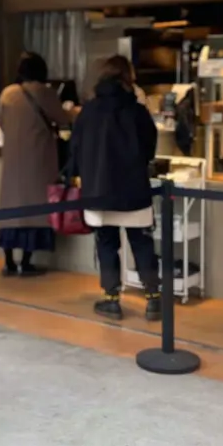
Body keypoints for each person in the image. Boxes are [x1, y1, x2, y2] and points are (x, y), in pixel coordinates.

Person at [69, 55, 160, 322]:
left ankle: (111, 300)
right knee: (141, 242)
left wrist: (79, 174)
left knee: (106, 243)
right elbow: (150, 148)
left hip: (99, 189)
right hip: (134, 189)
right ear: (126, 78)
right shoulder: (137, 111)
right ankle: (154, 299)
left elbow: (75, 148)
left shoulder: (89, 111)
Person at [0, 52, 72, 278]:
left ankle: (9, 262)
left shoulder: (8, 94)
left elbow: (0, 121)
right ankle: (26, 263)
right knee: (34, 208)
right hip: (37, 159)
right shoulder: (45, 93)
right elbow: (63, 119)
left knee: (10, 209)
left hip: (12, 159)